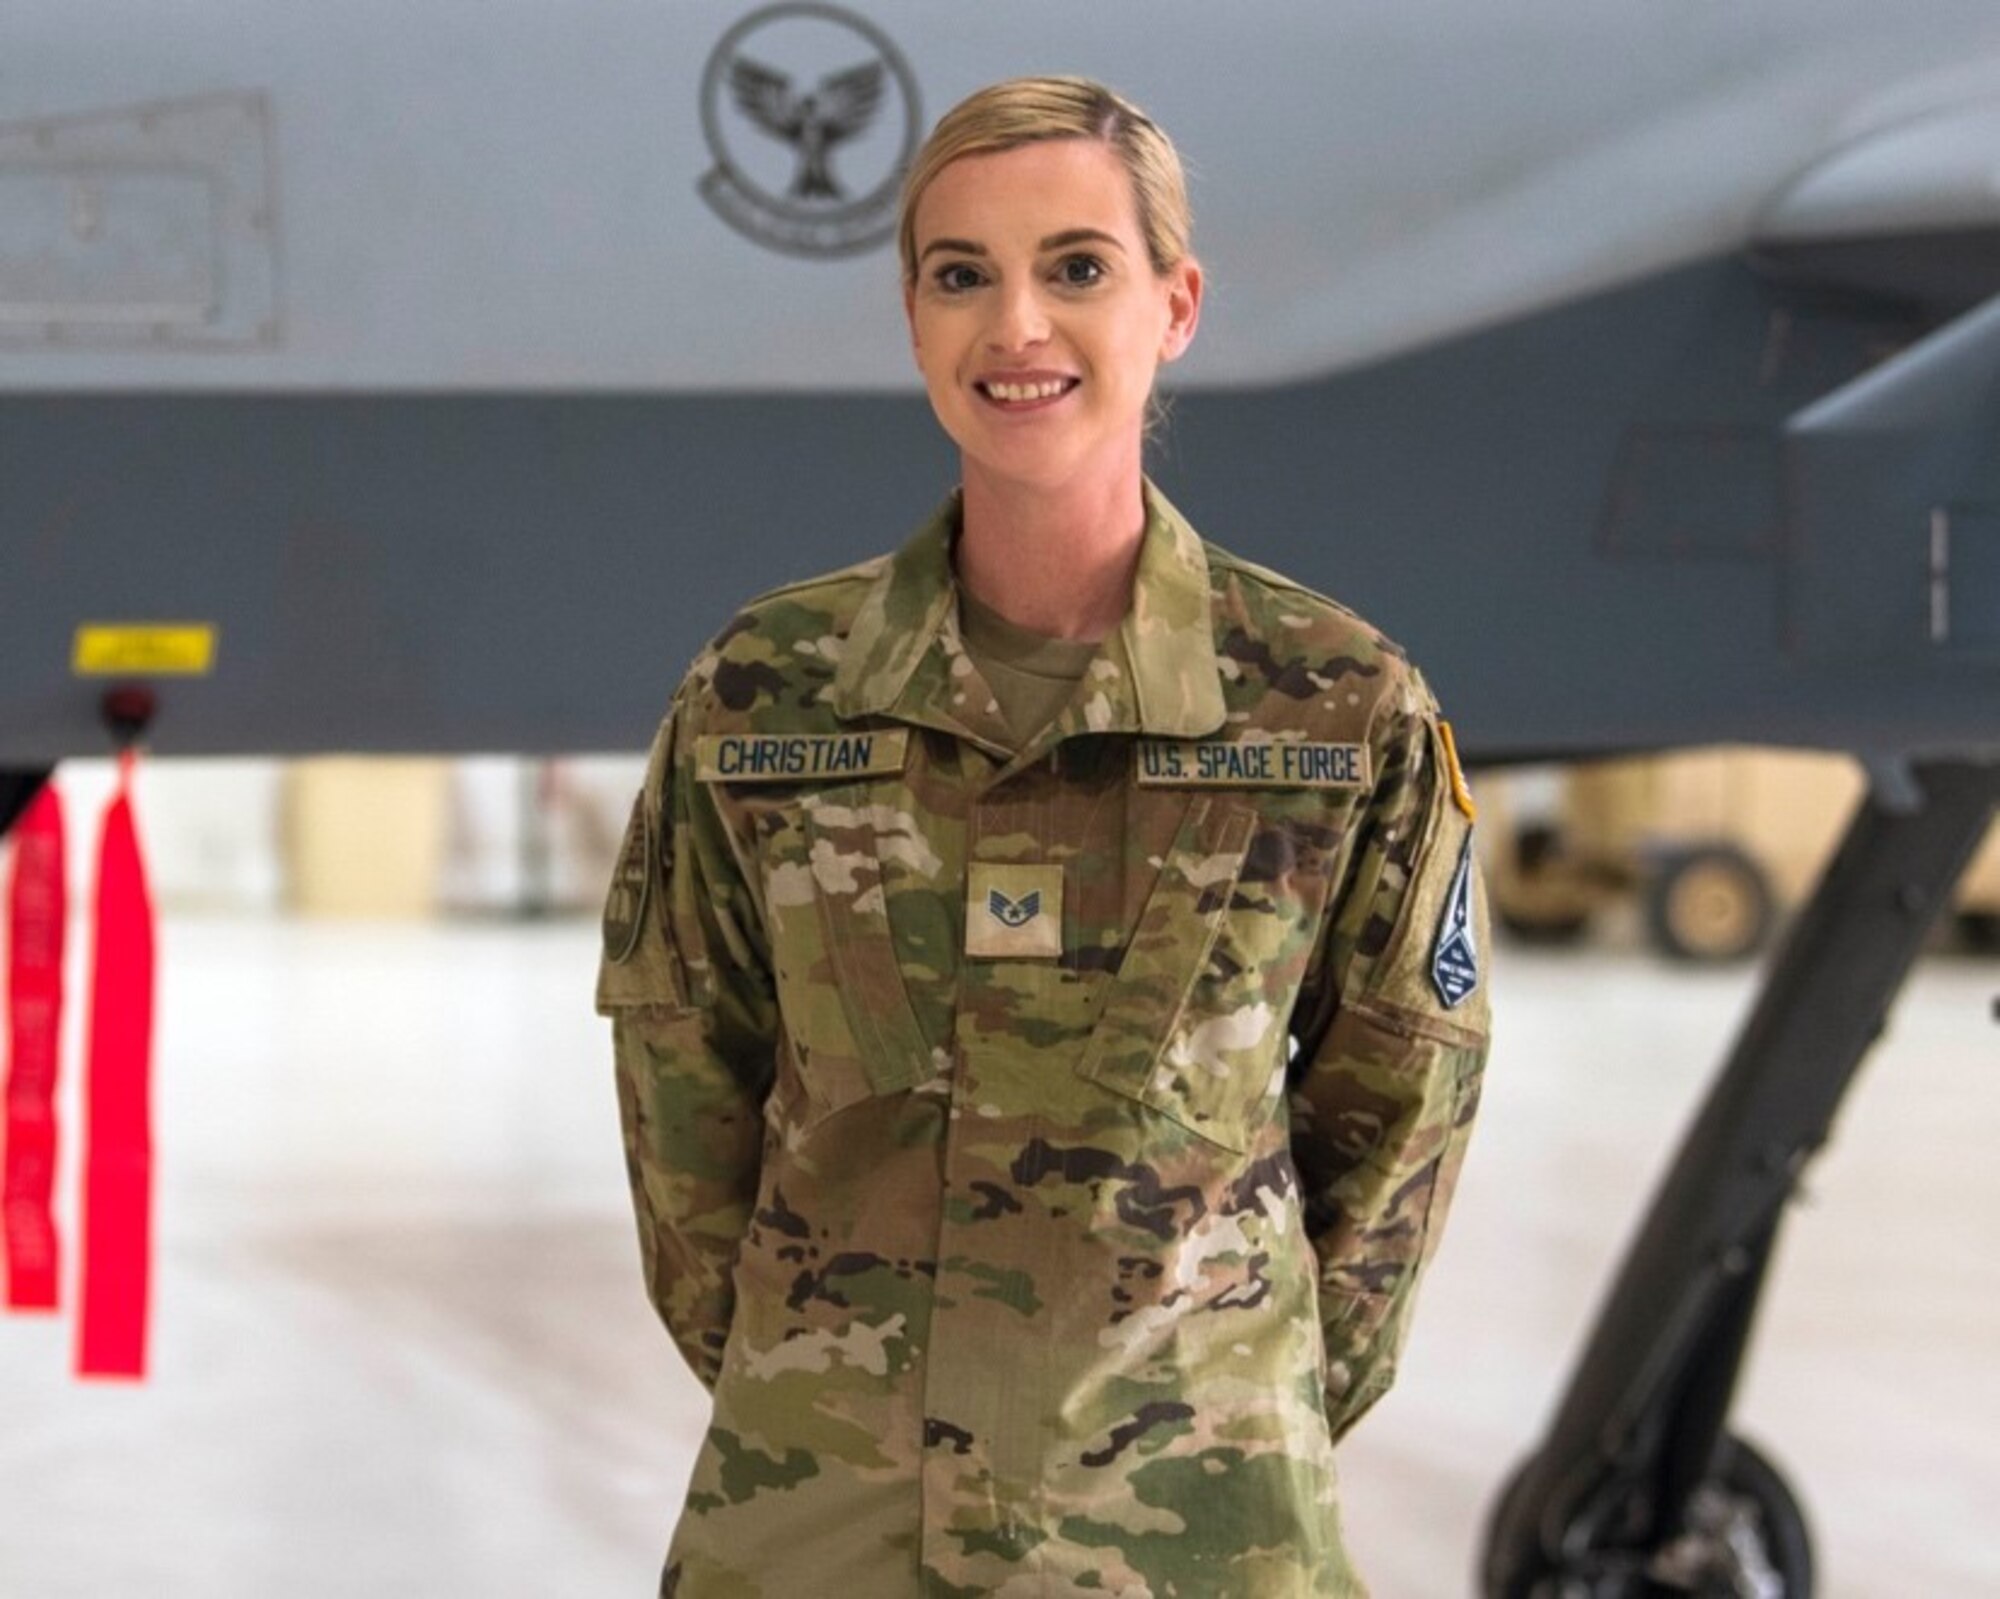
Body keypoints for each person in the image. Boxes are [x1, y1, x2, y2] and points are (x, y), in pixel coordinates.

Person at [597, 75, 1490, 1599]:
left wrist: (1217, 1409)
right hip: (817, 1536)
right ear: (914, 318)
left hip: (1196, 1545)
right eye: (963, 276)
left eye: (1076, 267)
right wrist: (829, 1396)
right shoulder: (762, 697)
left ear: (1176, 304)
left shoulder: (1336, 710)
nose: (1016, 327)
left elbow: (1395, 1131)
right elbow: (688, 1120)